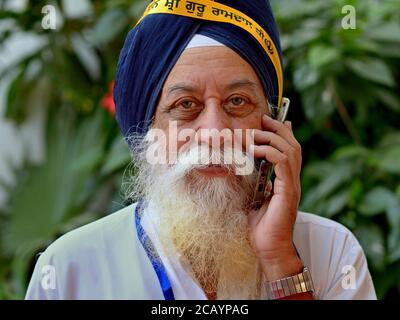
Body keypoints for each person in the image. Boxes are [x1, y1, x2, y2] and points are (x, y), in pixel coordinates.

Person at [26, 0, 376, 300]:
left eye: (237, 102)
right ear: (148, 129)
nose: (214, 132)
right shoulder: (70, 270)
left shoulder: (332, 252)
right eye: (186, 105)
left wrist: (280, 261)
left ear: (274, 121)